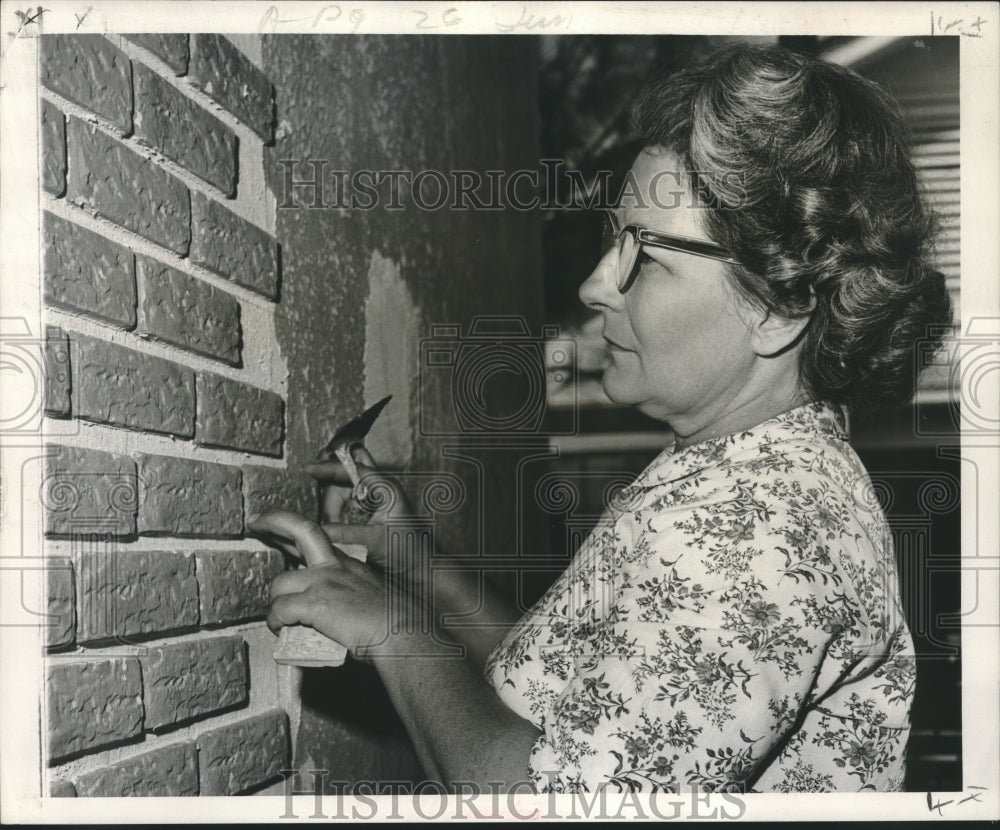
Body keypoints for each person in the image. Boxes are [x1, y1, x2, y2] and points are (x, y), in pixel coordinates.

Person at [249, 42, 952, 793]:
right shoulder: (732, 467)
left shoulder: (759, 533)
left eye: (645, 256)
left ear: (778, 310)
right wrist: (419, 566)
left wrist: (394, 629)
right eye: (614, 238)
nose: (593, 285)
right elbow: (577, 701)